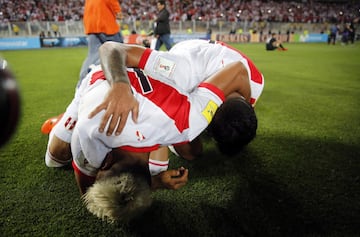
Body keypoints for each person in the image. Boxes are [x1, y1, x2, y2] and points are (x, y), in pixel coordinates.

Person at [45, 39, 264, 222]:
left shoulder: (89, 132)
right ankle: (63, 120)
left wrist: (119, 84)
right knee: (55, 158)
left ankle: (64, 121)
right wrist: (120, 85)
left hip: (97, 92)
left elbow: (111, 47)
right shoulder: (185, 118)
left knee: (55, 161)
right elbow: (110, 48)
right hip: (111, 84)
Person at [78, 0, 124, 85]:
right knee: (121, 54)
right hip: (105, 24)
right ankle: (123, 85)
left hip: (91, 26)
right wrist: (118, 11)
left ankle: (82, 83)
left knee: (93, 56)